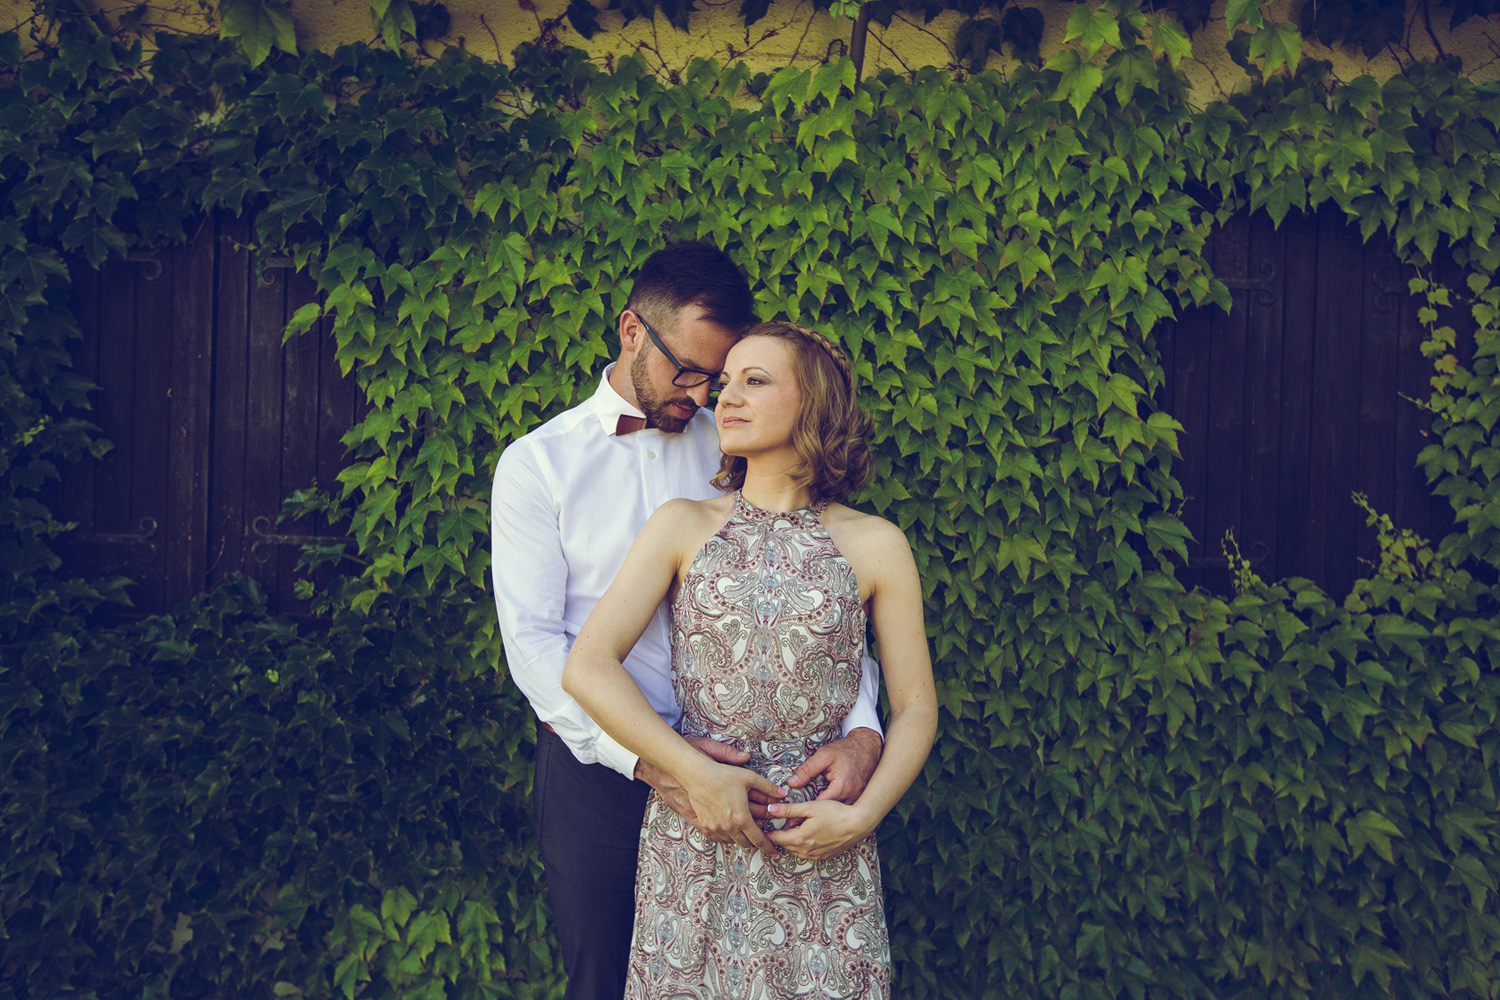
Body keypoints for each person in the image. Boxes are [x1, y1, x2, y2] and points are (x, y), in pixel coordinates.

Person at [489, 244, 886, 1000]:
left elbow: (823, 599)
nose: (704, 394)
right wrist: (654, 761)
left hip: (756, 772)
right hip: (602, 772)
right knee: (606, 981)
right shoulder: (538, 466)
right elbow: (536, 648)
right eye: (688, 371)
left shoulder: (741, 438)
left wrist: (863, 731)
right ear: (631, 331)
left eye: (720, 374)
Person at [562, 322, 938, 999]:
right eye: (726, 381)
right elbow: (587, 666)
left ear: (813, 401)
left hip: (823, 842)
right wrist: (692, 771)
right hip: (696, 837)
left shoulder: (878, 544)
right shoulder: (681, 524)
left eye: (754, 381)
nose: (726, 397)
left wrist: (860, 819)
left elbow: (915, 708)